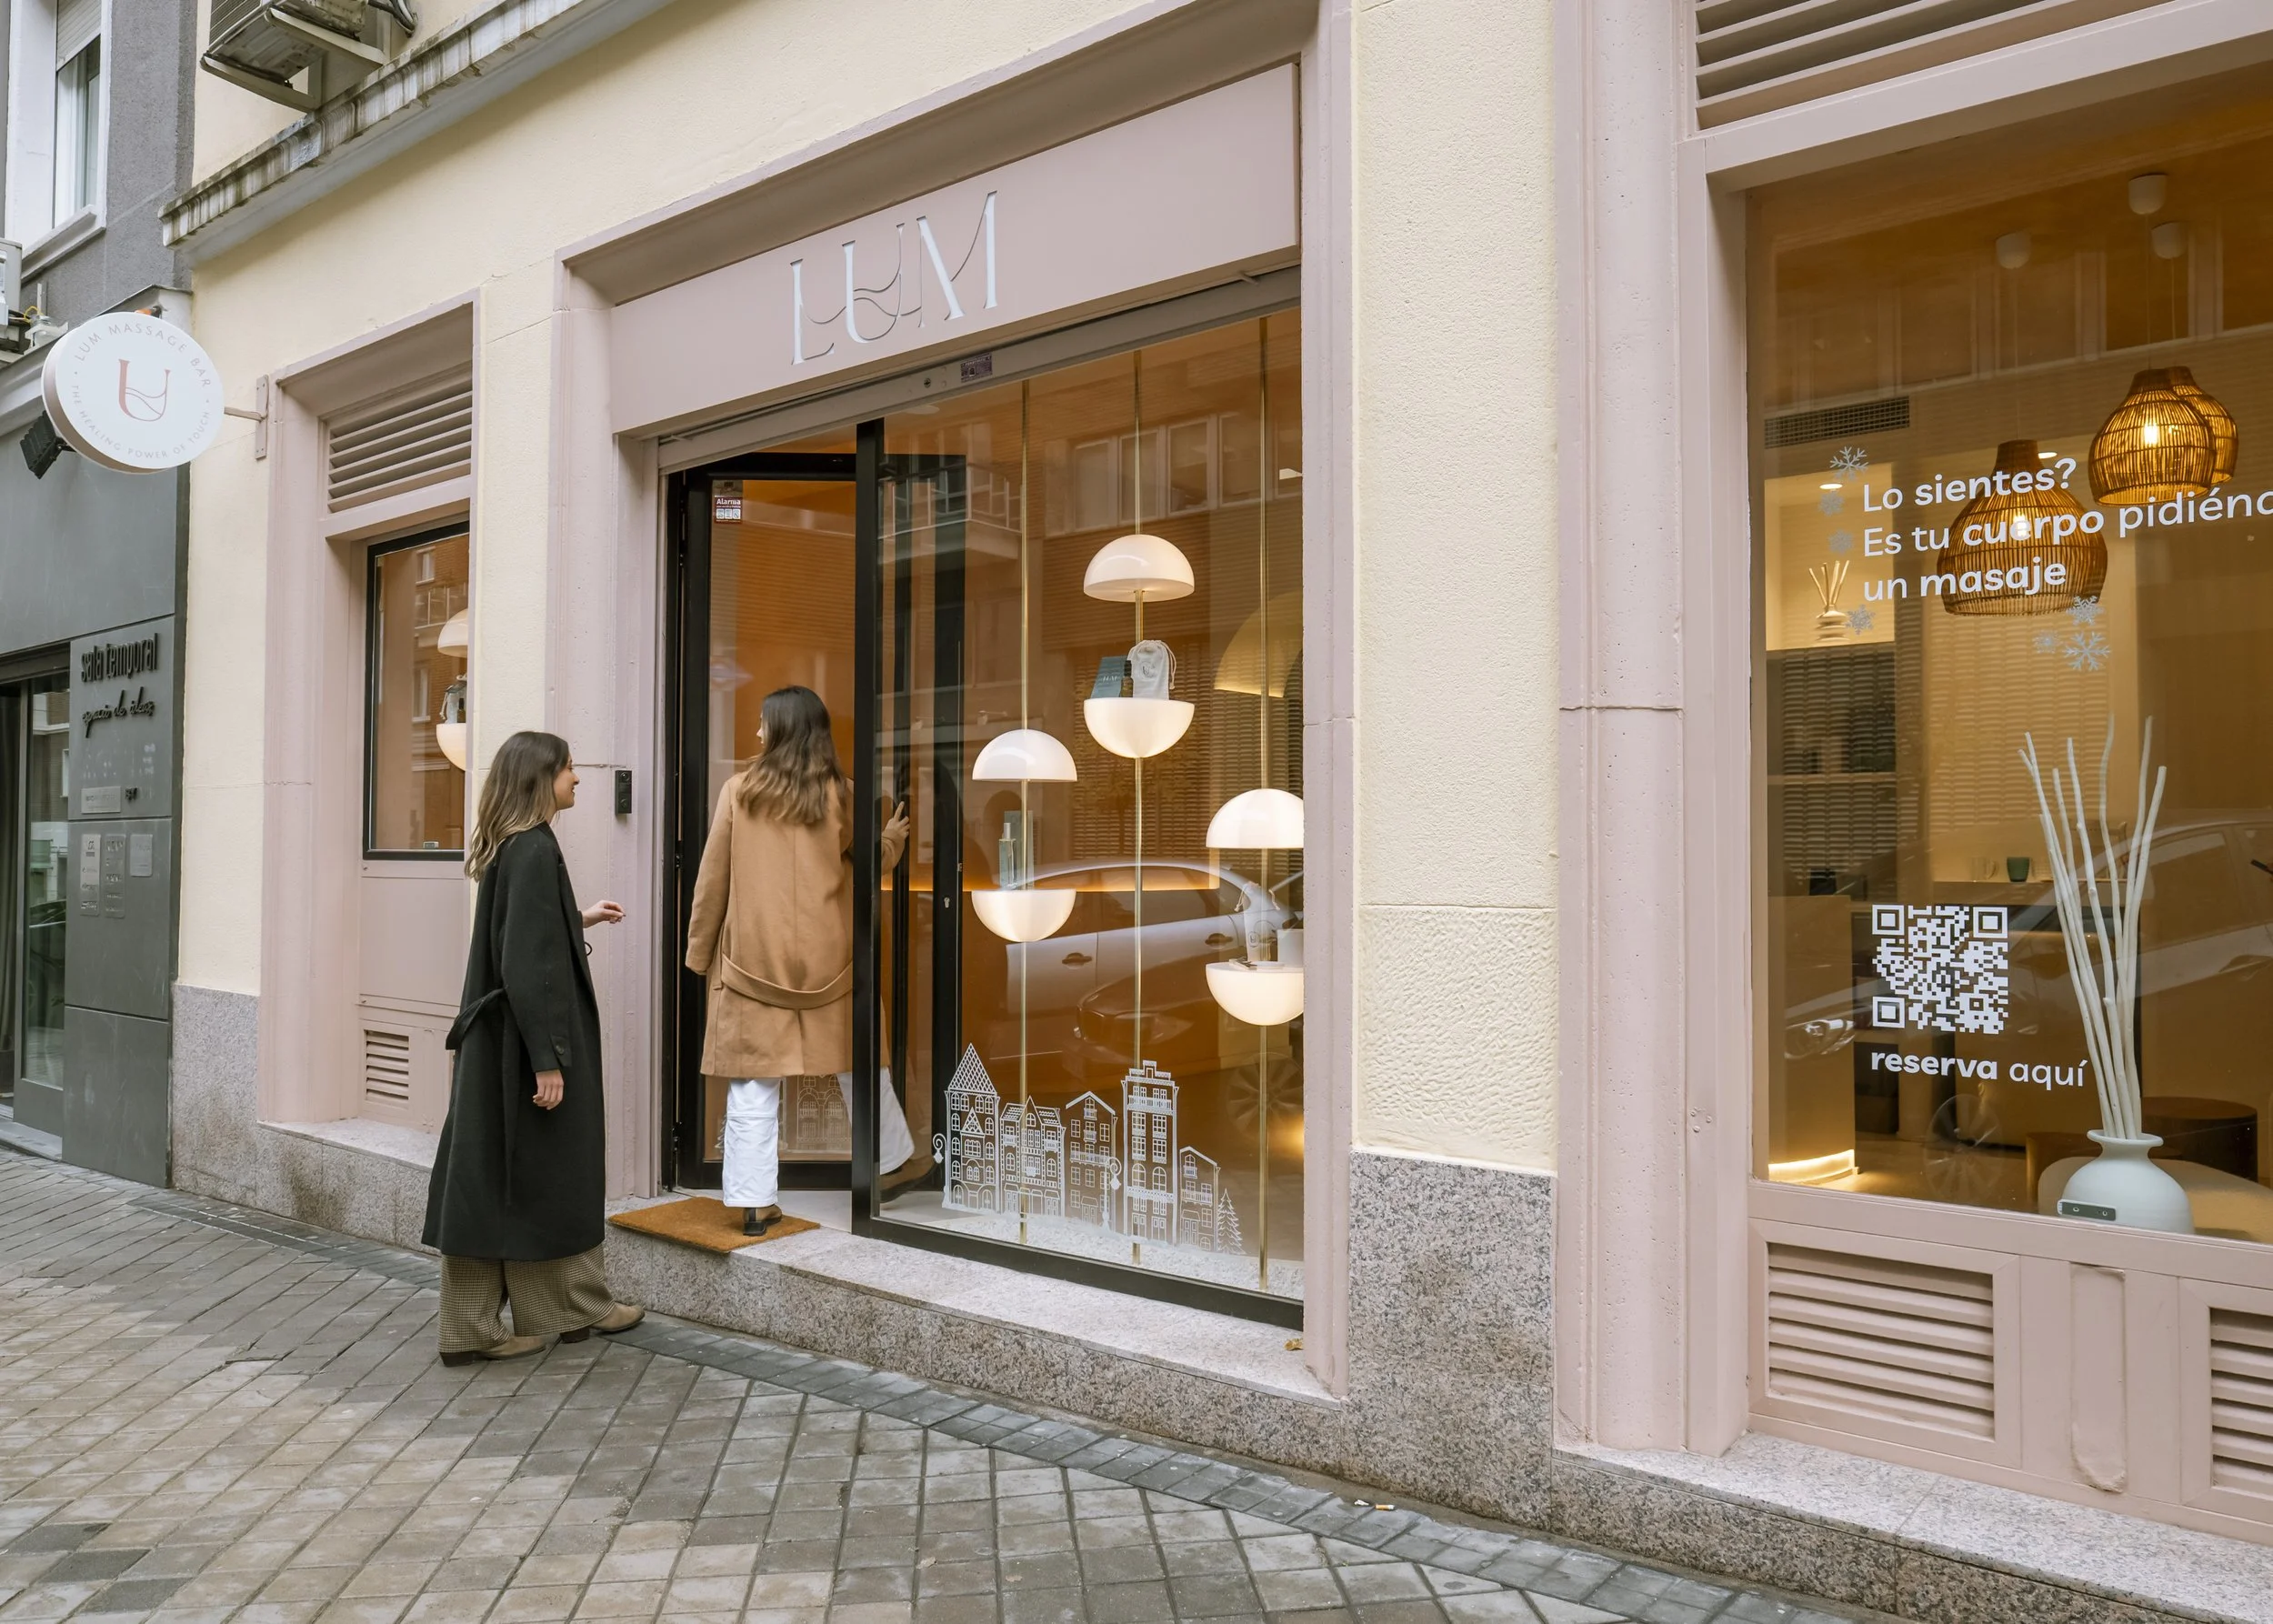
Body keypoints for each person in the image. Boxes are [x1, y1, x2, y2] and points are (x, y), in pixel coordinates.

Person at [423, 730, 643, 1364]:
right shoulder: (532, 851)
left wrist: (581, 919)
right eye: (569, 767)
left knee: (501, 1182)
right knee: (550, 1176)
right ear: (541, 778)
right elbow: (526, 963)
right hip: (524, 1052)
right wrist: (549, 1062)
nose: (578, 776)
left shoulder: (516, 848)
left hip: (500, 1048)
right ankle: (571, 1307)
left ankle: (494, 1324)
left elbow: (525, 934)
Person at [686, 686, 913, 1235]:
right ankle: (891, 1163)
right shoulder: (843, 795)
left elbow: (712, 880)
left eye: (764, 724)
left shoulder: (738, 792)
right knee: (859, 1066)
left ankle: (752, 1205)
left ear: (782, 729)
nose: (758, 733)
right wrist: (892, 838)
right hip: (829, 967)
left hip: (752, 967)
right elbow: (869, 865)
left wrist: (698, 953)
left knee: (752, 1085)